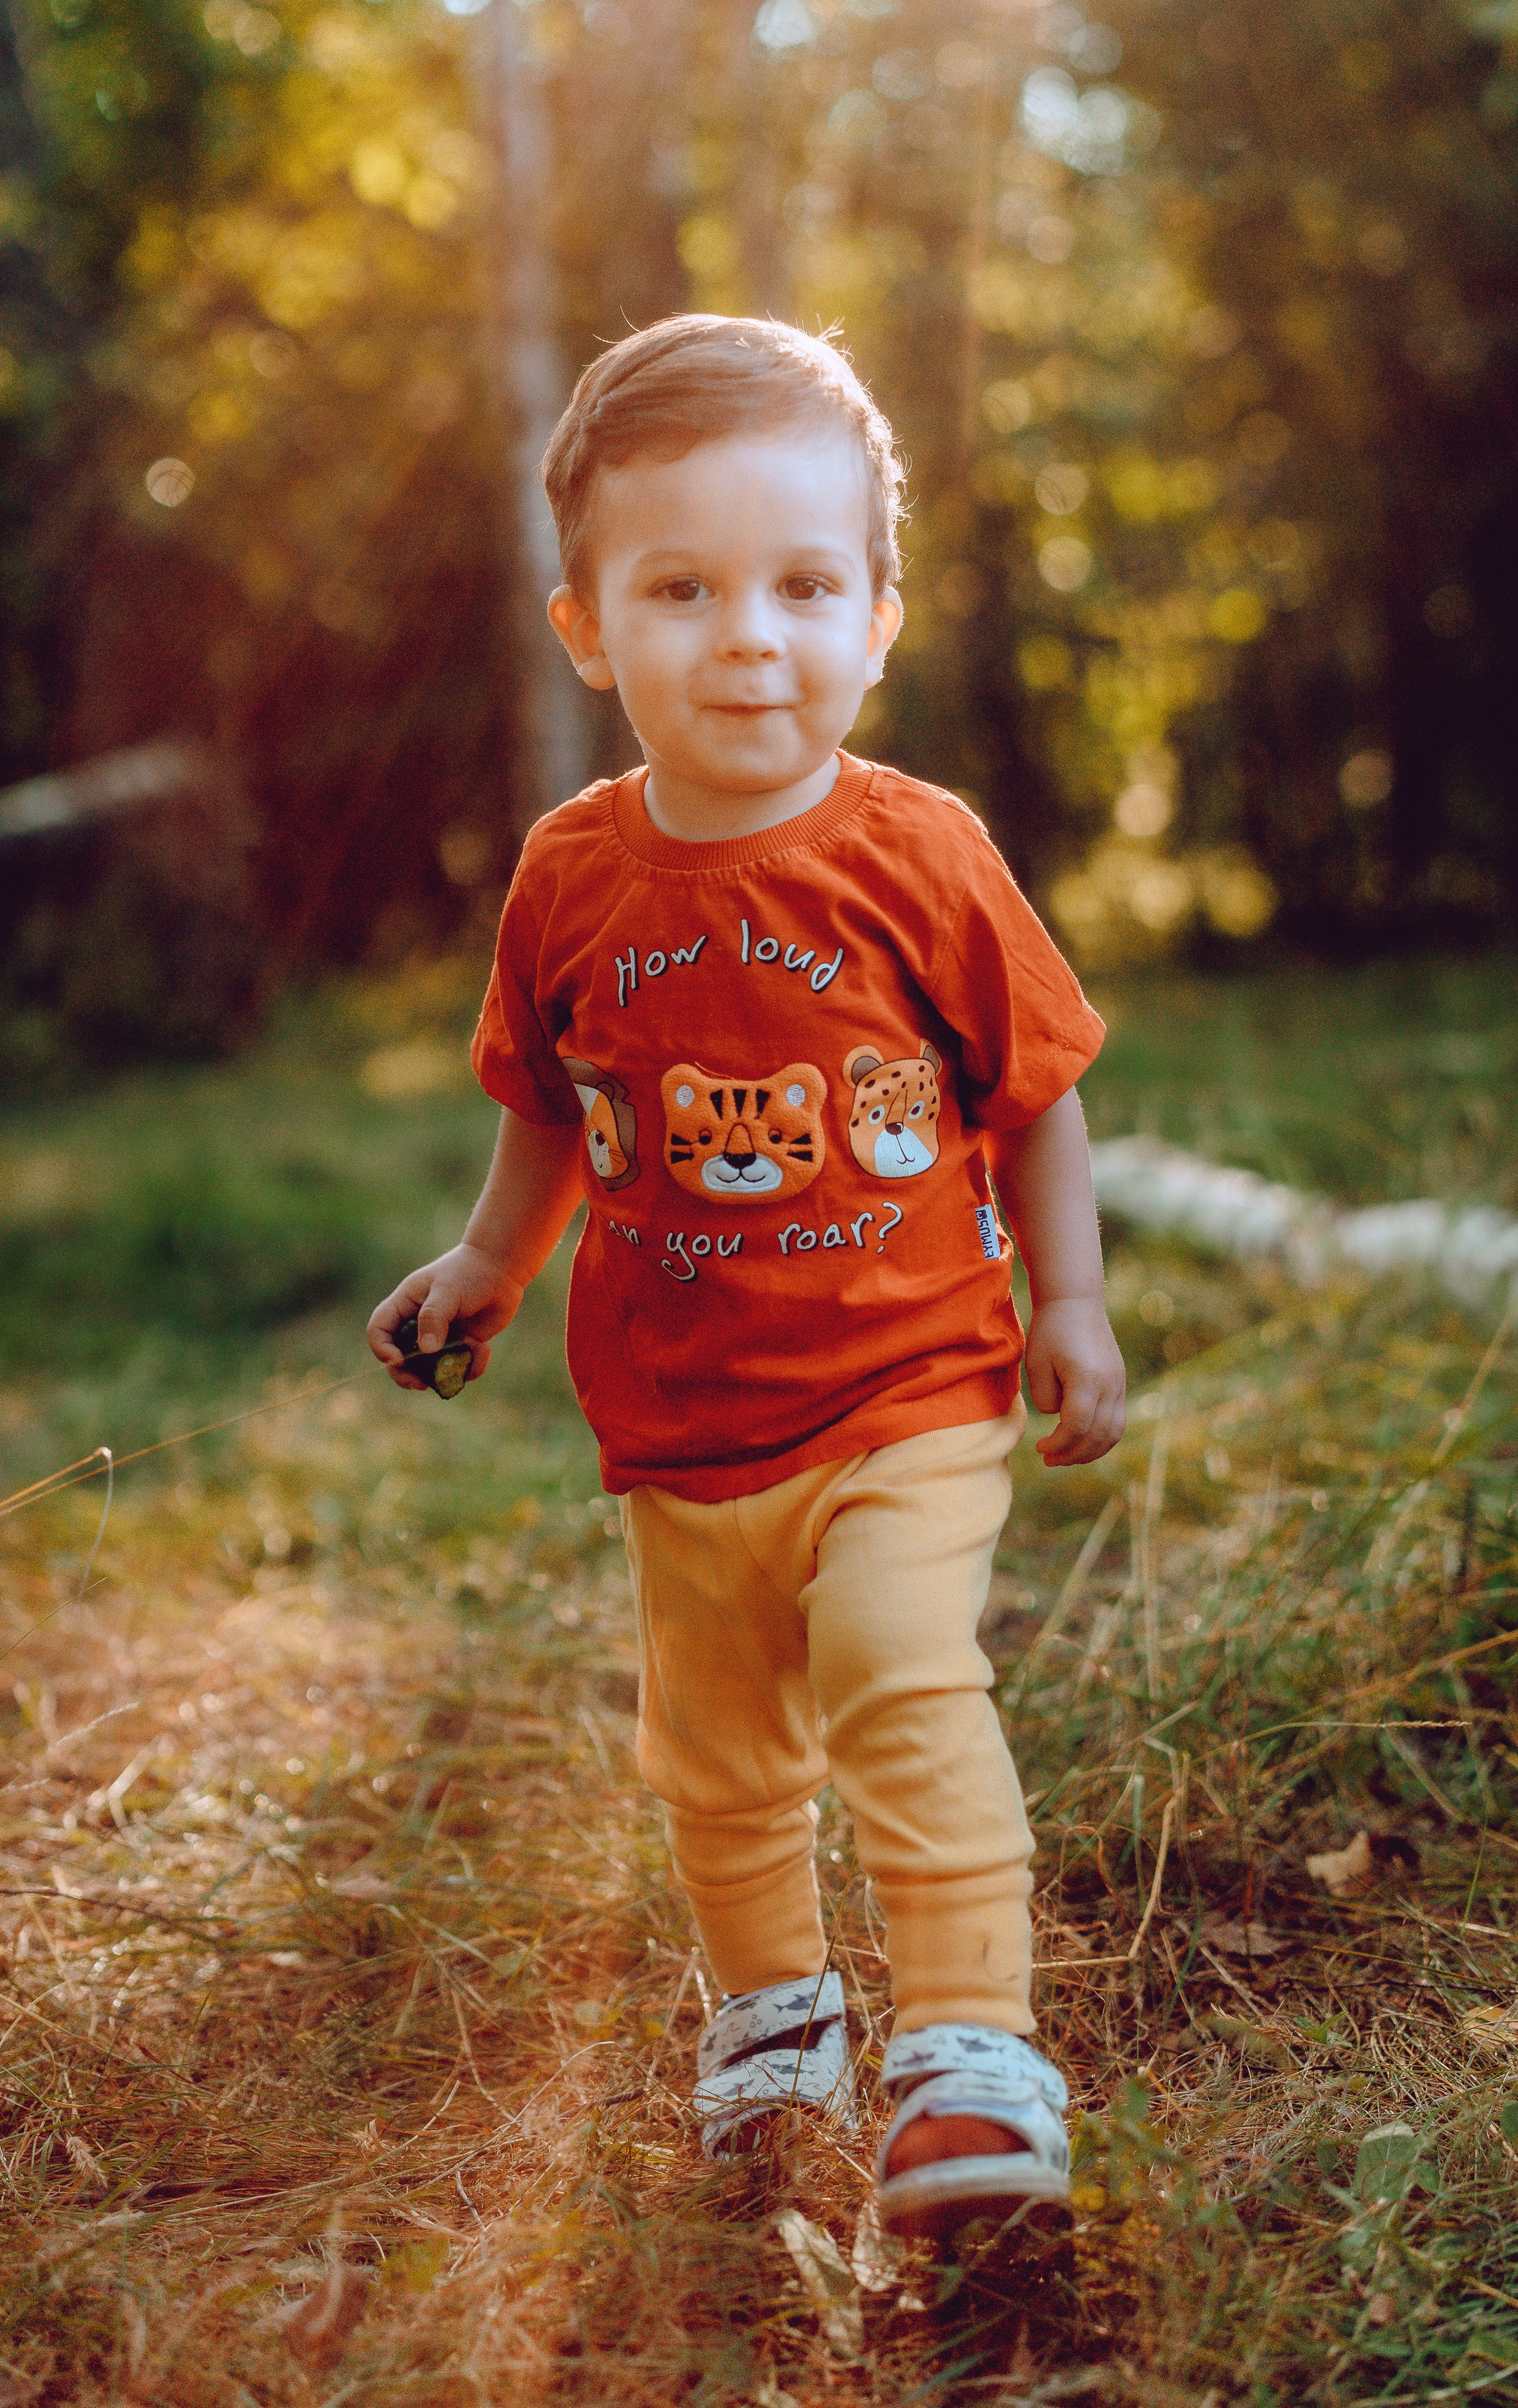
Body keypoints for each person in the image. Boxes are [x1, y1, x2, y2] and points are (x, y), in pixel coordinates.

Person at [368, 315, 1126, 2241]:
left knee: (894, 1668)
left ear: (879, 616)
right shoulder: (569, 875)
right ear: (589, 629)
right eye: (682, 588)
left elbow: (1033, 1097)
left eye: (802, 585)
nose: (746, 637)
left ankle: (970, 2051)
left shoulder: (921, 855)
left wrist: (1073, 1305)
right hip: (682, 1427)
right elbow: (548, 1104)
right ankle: (776, 2016)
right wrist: (487, 1257)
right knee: (715, 1755)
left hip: (913, 1390)